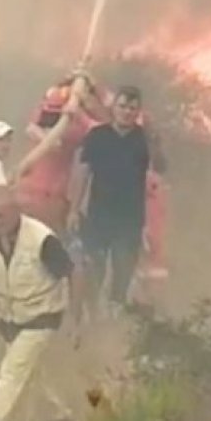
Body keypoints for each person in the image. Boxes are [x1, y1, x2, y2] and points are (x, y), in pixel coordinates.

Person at [0, 188, 77, 421]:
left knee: (12, 370)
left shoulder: (41, 239)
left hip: (43, 315)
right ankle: (58, 418)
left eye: (1, 216)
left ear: (16, 212)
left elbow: (72, 271)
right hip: (10, 320)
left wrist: (75, 315)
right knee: (30, 376)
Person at [69, 85, 159, 316]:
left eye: (132, 108)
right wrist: (73, 209)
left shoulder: (144, 139)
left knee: (123, 268)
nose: (126, 112)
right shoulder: (97, 136)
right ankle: (91, 315)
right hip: (98, 215)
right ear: (113, 107)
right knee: (93, 267)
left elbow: (159, 172)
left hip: (130, 219)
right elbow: (83, 173)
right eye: (122, 106)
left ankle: (114, 313)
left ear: (138, 111)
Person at [18, 75, 101, 236]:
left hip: (53, 197)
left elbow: (102, 134)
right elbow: (35, 130)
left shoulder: (78, 123)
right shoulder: (55, 120)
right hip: (33, 194)